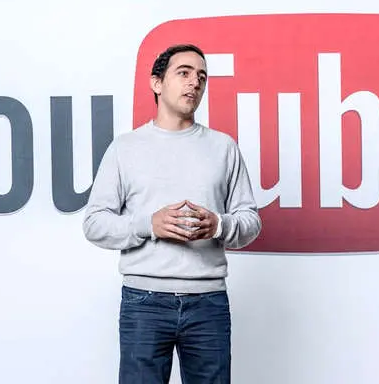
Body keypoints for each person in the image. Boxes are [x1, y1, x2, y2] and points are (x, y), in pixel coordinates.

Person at [82, 43, 262, 384]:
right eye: (184, 73)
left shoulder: (223, 147)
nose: (195, 83)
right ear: (157, 83)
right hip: (143, 302)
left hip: (208, 303)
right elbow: (94, 223)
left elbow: (250, 221)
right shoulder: (125, 148)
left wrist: (219, 225)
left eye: (202, 77)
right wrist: (148, 224)